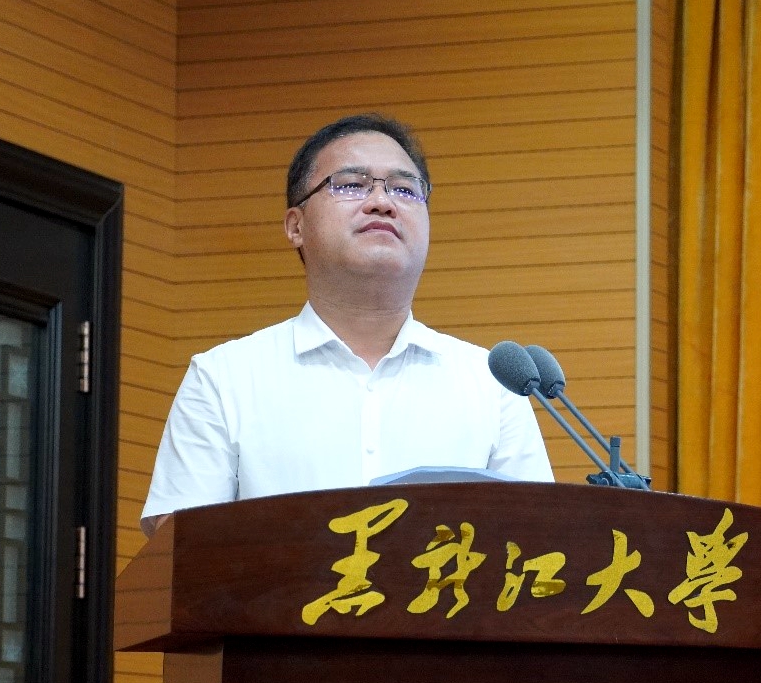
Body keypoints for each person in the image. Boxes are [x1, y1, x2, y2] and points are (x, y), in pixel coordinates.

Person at [141, 114, 553, 536]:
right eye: (352, 184)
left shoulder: (493, 387)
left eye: (404, 189)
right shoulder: (222, 379)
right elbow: (180, 552)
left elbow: (539, 540)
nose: (382, 202)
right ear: (296, 226)